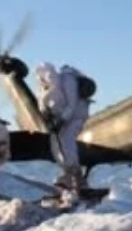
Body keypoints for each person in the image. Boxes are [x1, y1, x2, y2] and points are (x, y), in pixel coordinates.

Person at [35, 62, 93, 192]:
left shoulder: (67, 80)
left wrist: (61, 120)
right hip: (60, 120)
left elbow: (71, 105)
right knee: (56, 145)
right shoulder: (45, 89)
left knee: (67, 142)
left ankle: (75, 177)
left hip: (75, 117)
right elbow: (45, 106)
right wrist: (49, 118)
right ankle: (70, 175)